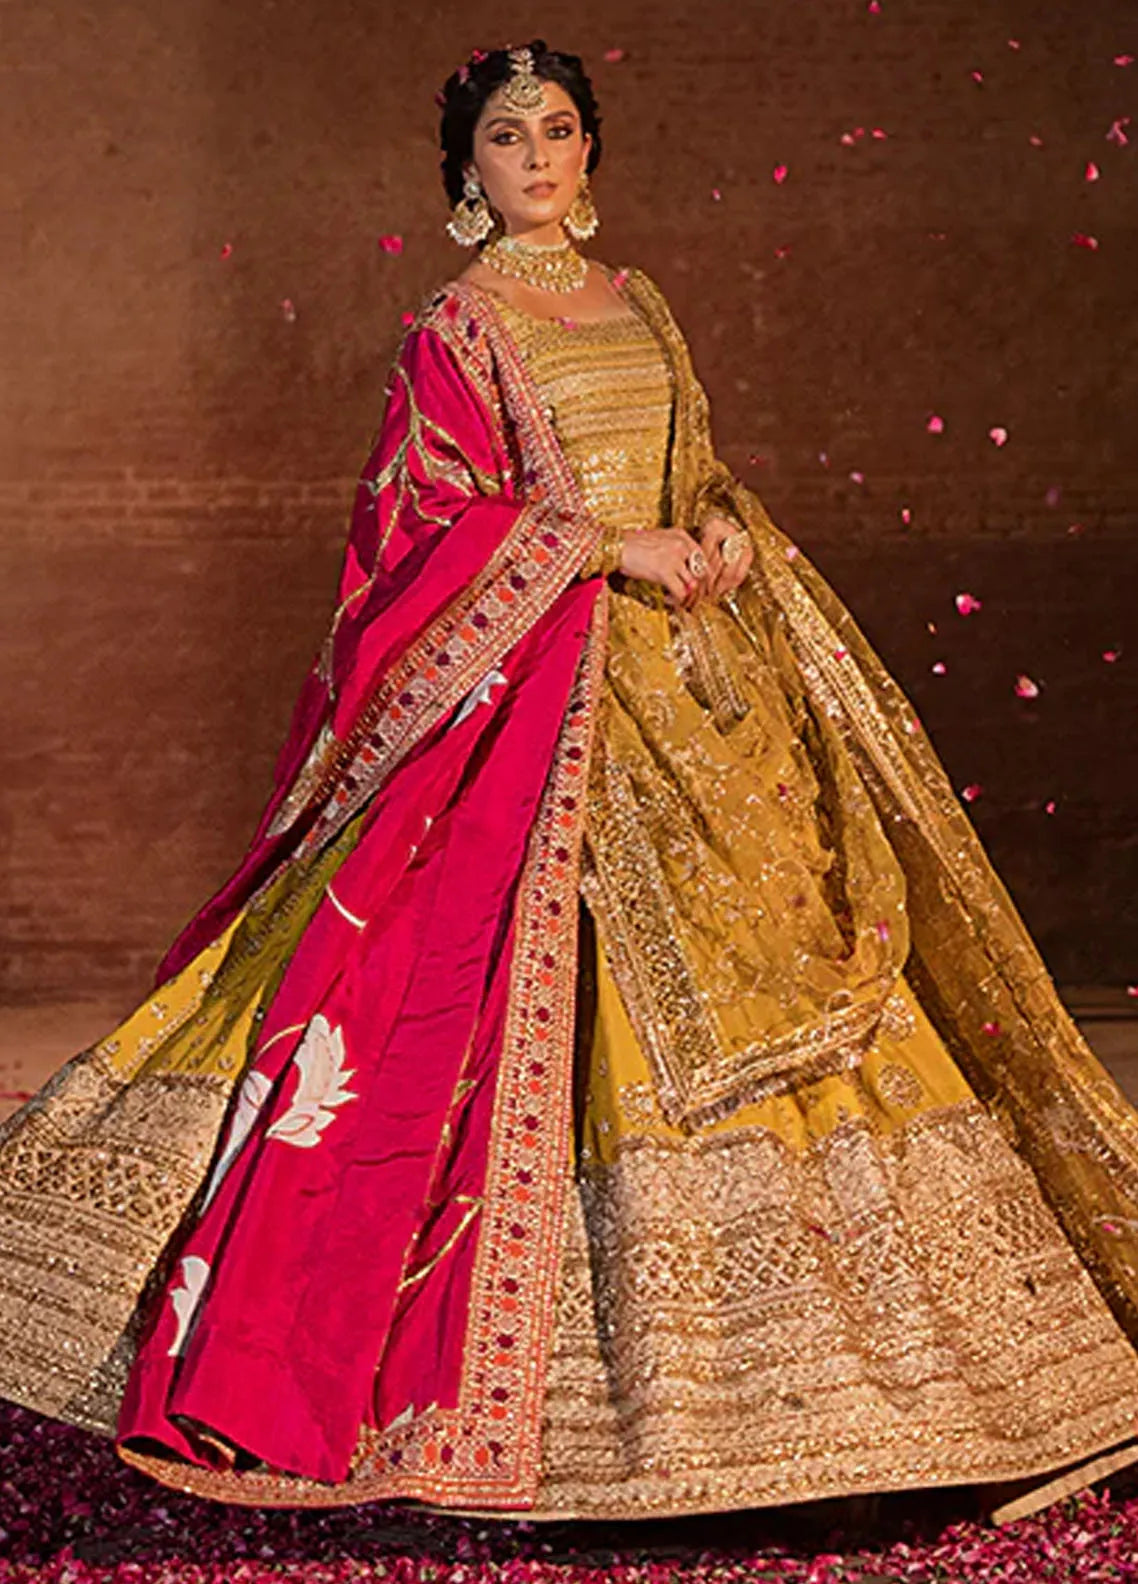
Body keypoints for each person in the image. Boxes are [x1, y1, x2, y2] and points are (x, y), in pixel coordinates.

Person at [2, 37, 1138, 1527]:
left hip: (701, 692)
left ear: (589, 151)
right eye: (505, 139)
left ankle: (900, 1388)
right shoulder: (456, 327)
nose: (535, 159)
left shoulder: (640, 302)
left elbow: (692, 470)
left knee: (795, 964)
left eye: (555, 132)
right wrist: (607, 551)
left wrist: (716, 529)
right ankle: (582, 1389)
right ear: (465, 171)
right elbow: (423, 524)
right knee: (509, 991)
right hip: (550, 704)